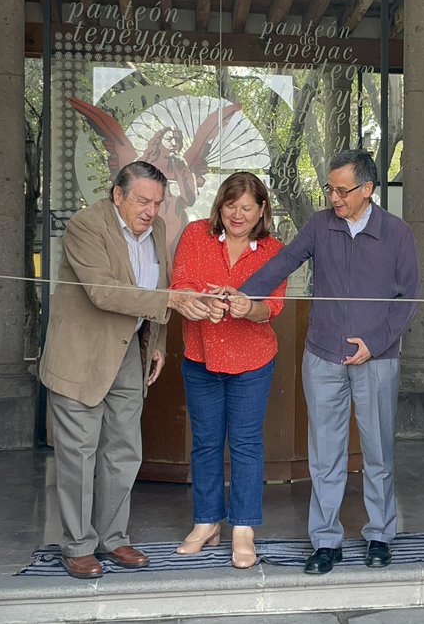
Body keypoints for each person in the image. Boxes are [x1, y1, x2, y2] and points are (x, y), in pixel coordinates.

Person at [239, 149, 420, 575]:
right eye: (329, 189)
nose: (334, 198)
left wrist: (374, 343)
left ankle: (380, 534)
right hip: (322, 355)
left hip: (376, 359)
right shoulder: (321, 225)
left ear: (368, 189)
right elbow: (285, 261)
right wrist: (246, 292)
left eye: (342, 190)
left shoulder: (397, 233)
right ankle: (325, 540)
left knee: (377, 451)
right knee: (325, 454)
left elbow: (410, 299)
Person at [38, 160, 214, 579]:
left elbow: (158, 289)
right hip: (80, 358)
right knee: (79, 456)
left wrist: (156, 345)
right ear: (118, 195)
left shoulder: (156, 231)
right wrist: (170, 301)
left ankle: (113, 538)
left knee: (124, 452)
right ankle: (78, 546)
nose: (151, 210)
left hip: (127, 357)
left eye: (157, 202)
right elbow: (103, 292)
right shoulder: (86, 226)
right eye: (142, 200)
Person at [168, 172, 287, 569]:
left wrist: (246, 308)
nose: (238, 215)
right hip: (200, 357)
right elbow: (179, 286)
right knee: (205, 443)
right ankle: (206, 522)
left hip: (252, 360)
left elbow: (271, 306)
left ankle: (243, 529)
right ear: (220, 205)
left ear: (261, 211)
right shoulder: (195, 235)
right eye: (231, 206)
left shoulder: (274, 250)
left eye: (247, 208)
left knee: (246, 444)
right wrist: (199, 302)